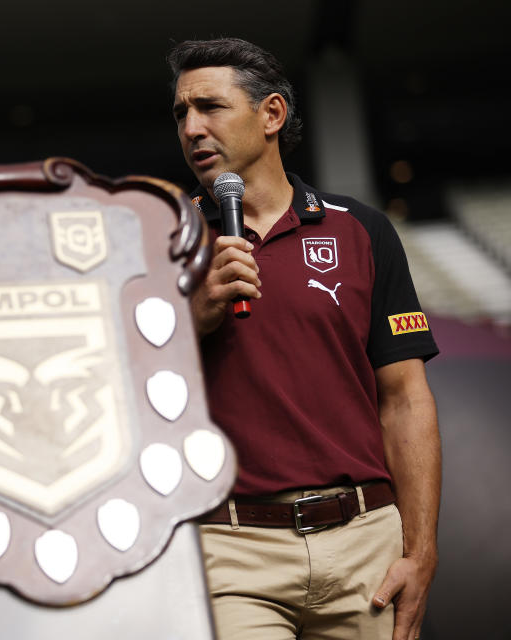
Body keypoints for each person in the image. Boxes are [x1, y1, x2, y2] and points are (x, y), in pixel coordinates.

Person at [168, 38, 440, 640]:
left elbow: (405, 401)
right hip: (228, 547)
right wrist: (193, 315)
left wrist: (419, 554)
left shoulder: (363, 230)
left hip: (365, 541)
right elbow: (119, 391)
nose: (191, 128)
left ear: (271, 115)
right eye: (181, 113)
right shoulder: (160, 240)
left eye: (209, 106)